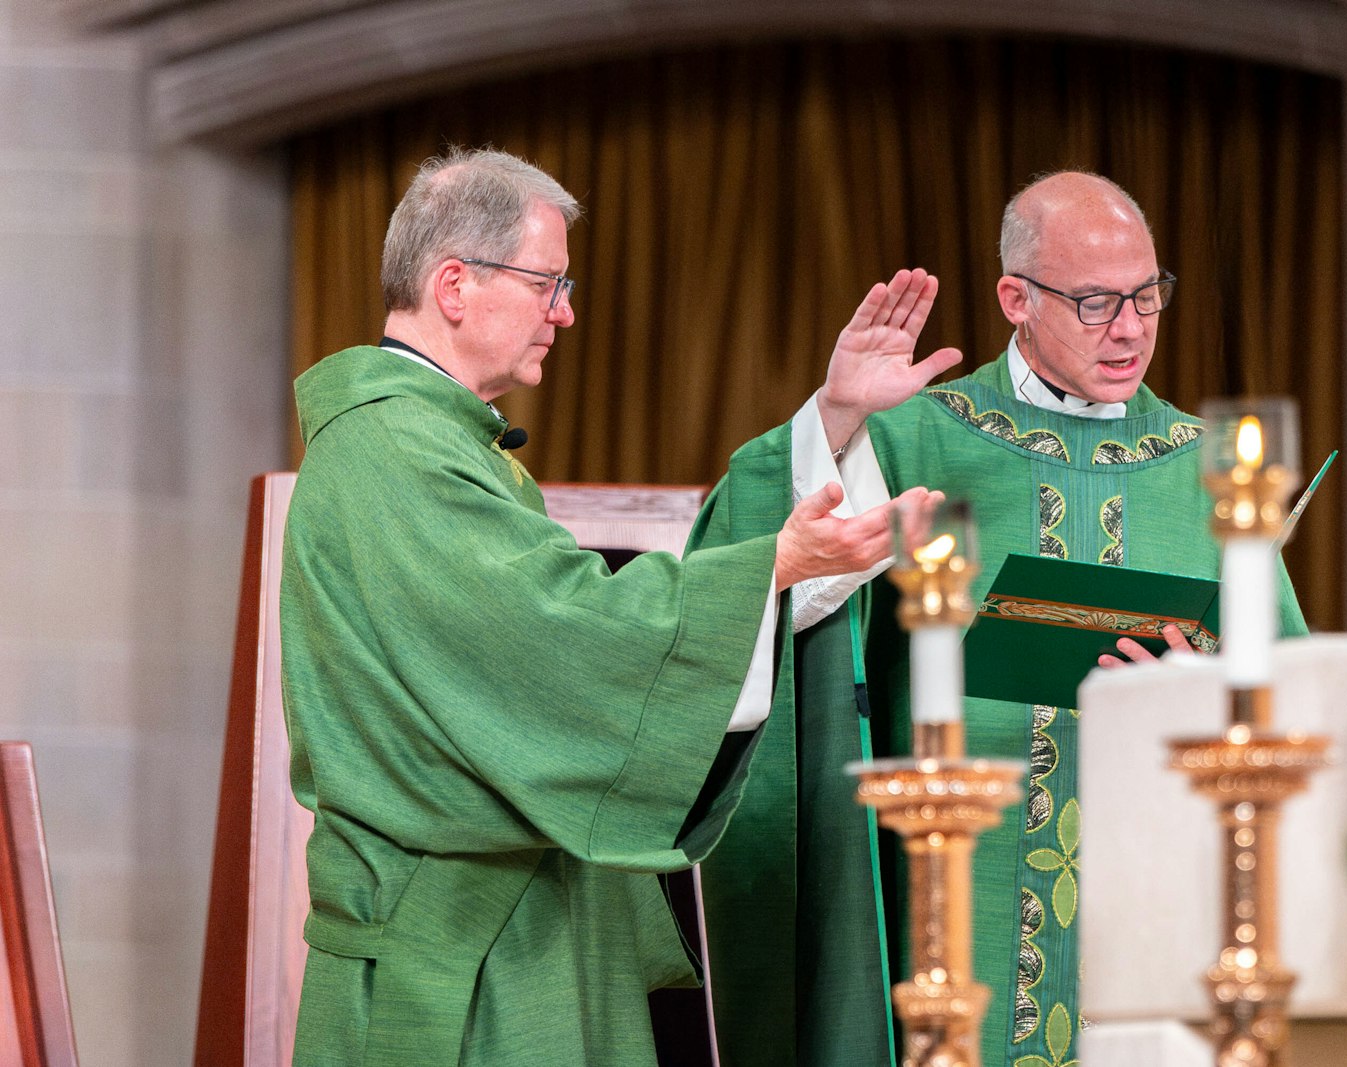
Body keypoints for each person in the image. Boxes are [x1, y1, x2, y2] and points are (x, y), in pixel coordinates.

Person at [278, 146, 940, 1067]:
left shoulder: (439, 441)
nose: (566, 312)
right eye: (547, 283)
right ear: (456, 284)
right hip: (464, 965)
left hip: (521, 925)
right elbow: (559, 635)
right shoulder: (395, 447)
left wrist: (825, 431)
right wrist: (775, 564)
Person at [695, 171, 1308, 1067]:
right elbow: (751, 576)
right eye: (1097, 301)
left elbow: (1285, 691)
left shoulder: (1211, 468)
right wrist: (836, 419)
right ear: (1016, 298)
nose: (1131, 326)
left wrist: (1200, 696)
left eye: (1148, 295)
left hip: (1152, 895)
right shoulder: (915, 437)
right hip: (954, 890)